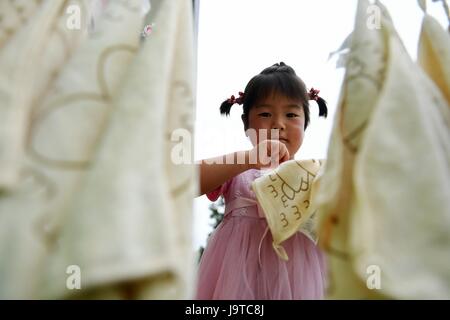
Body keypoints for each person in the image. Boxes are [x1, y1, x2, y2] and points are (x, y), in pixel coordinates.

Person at [196, 62, 328, 299]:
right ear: (246, 123)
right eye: (265, 114)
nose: (278, 123)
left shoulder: (314, 175)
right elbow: (185, 182)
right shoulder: (238, 169)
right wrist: (248, 158)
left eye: (291, 114)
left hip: (301, 279)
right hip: (236, 279)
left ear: (305, 123)